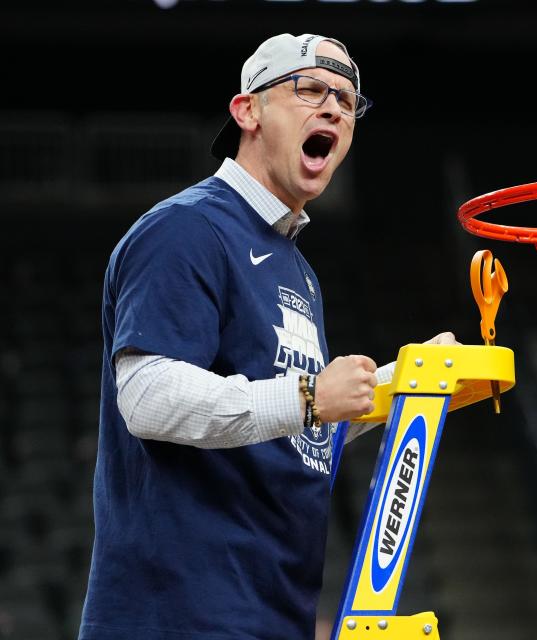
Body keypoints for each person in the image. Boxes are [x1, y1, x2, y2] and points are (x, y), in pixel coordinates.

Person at [79, 33, 456, 639]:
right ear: (247, 111)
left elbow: (301, 430)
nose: (334, 108)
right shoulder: (187, 228)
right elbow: (146, 398)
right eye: (311, 89)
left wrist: (408, 379)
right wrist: (309, 397)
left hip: (271, 616)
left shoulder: (298, 270)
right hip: (179, 619)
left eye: (348, 101)